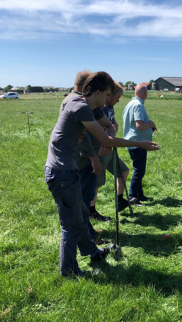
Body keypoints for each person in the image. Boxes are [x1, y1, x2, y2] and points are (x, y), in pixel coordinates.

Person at [45, 71, 160, 277]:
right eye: (107, 94)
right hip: (61, 172)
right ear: (97, 92)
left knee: (80, 215)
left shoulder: (89, 106)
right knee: (71, 225)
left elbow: (109, 127)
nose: (109, 99)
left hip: (66, 170)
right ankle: (69, 271)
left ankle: (93, 253)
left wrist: (110, 134)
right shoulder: (79, 107)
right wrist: (139, 143)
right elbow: (106, 140)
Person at [59, 70, 106, 240]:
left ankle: (87, 234)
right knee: (82, 201)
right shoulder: (76, 103)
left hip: (83, 158)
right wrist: (93, 157)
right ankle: (87, 234)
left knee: (84, 199)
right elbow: (83, 136)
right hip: (81, 159)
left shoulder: (83, 101)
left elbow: (106, 123)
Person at [90, 84, 130, 220]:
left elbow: (112, 123)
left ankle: (119, 200)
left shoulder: (110, 108)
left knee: (123, 170)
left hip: (110, 148)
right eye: (117, 97)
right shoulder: (100, 108)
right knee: (97, 182)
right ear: (109, 95)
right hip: (101, 149)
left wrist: (114, 125)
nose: (118, 100)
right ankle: (91, 211)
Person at [123, 84, 156, 206]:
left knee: (140, 169)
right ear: (144, 93)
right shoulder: (137, 105)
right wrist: (151, 124)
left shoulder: (130, 104)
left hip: (135, 141)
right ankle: (133, 197)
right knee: (139, 170)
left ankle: (139, 193)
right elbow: (140, 125)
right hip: (138, 142)